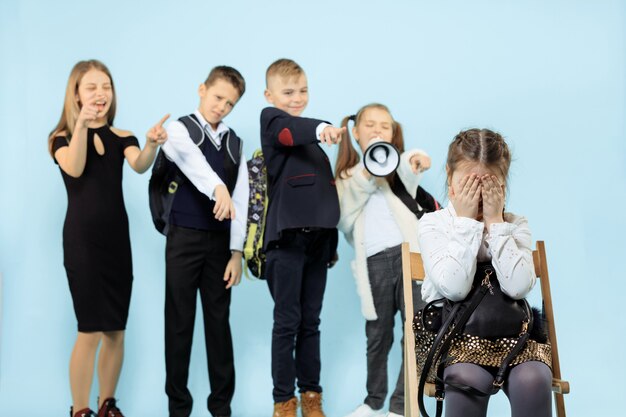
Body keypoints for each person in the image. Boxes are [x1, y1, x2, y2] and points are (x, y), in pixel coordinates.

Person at [49, 59, 167, 417]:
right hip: (82, 242)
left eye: (106, 87)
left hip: (118, 242)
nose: (101, 94)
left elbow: (140, 164)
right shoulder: (61, 139)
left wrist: (150, 144)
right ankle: (81, 409)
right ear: (76, 94)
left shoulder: (122, 136)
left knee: (115, 328)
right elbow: (75, 167)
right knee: (89, 329)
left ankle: (107, 404)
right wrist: (82, 124)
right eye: (92, 87)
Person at [417, 128, 552, 417]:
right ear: (449, 178)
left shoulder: (515, 225)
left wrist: (495, 222)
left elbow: (517, 288)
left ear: (503, 185)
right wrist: (466, 222)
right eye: (468, 185)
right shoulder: (433, 224)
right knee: (467, 380)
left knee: (534, 379)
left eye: (488, 185)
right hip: (455, 338)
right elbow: (454, 288)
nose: (478, 196)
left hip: (514, 338)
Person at [335, 103, 438, 417]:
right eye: (370, 125)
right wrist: (367, 172)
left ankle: (402, 405)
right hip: (375, 263)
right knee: (378, 335)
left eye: (385, 126)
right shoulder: (345, 176)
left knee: (418, 330)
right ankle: (373, 401)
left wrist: (418, 159)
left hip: (410, 258)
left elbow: (410, 164)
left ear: (394, 134)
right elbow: (344, 216)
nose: (378, 130)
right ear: (355, 132)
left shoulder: (397, 169)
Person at [158, 66, 249, 417]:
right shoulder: (179, 129)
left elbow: (240, 201)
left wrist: (236, 252)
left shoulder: (235, 142)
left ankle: (221, 407)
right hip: (183, 238)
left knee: (218, 325)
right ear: (202, 90)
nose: (222, 106)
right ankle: (178, 408)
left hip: (218, 246)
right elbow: (193, 164)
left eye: (230, 103)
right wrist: (217, 187)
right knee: (179, 323)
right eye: (217, 97)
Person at [260, 58, 345, 417]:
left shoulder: (313, 141)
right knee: (287, 322)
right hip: (286, 241)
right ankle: (284, 401)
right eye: (288, 92)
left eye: (303, 90)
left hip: (318, 242)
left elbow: (323, 194)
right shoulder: (274, 122)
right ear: (270, 95)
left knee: (311, 322)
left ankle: (312, 397)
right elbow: (288, 131)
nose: (297, 97)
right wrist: (323, 126)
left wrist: (331, 243)